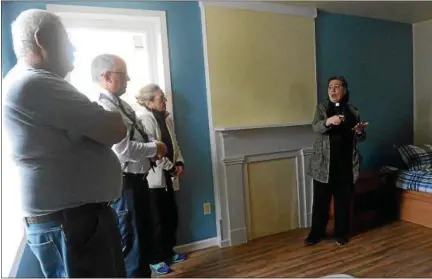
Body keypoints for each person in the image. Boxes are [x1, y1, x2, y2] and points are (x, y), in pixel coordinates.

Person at [3, 9, 127, 278]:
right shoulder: (35, 83)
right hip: (71, 224)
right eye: (65, 39)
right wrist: (101, 119)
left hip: (73, 221)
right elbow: (115, 129)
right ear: (41, 39)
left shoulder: (33, 82)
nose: (72, 47)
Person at [91, 54, 167, 278]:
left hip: (138, 182)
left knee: (142, 240)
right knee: (132, 245)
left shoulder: (121, 105)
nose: (128, 79)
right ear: (106, 76)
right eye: (123, 75)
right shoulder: (104, 107)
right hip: (126, 186)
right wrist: (156, 148)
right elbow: (123, 149)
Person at [306, 76, 368, 246]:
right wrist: (328, 121)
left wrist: (360, 131)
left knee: (343, 203)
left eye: (337, 87)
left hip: (346, 165)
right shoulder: (322, 108)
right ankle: (316, 234)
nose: (333, 90)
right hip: (324, 165)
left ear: (345, 90)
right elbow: (315, 127)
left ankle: (341, 234)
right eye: (330, 87)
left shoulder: (353, 111)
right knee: (320, 203)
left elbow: (361, 138)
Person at [135, 84, 187, 275]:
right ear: (148, 102)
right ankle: (155, 258)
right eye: (160, 98)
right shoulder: (145, 119)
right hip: (154, 179)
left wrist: (179, 162)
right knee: (156, 220)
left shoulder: (167, 118)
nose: (164, 101)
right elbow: (154, 150)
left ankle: (168, 251)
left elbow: (174, 143)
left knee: (170, 216)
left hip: (169, 176)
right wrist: (171, 167)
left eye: (163, 97)